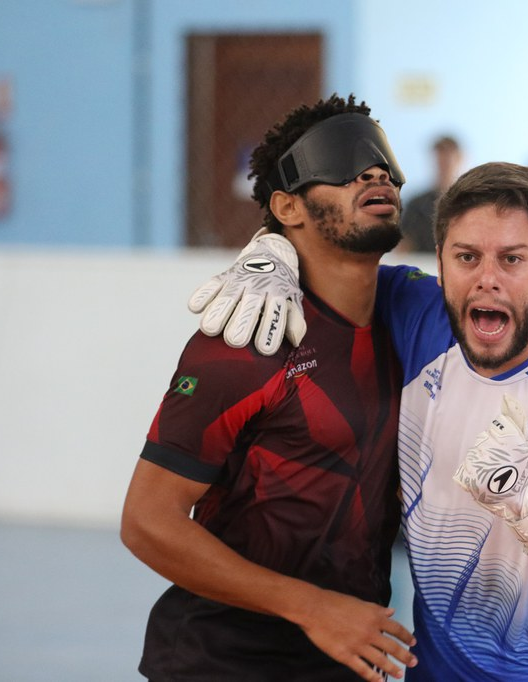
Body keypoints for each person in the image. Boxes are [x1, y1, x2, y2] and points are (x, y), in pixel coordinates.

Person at [188, 162, 528, 680]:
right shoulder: (420, 312)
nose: (488, 279)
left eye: (512, 259)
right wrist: (272, 254)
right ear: (441, 263)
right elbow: (332, 261)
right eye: (467, 257)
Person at [120, 94, 418, 682]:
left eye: (384, 164)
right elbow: (148, 521)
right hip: (220, 664)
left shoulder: (410, 319)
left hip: (347, 655)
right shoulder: (245, 340)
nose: (375, 174)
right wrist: (313, 608)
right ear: (287, 206)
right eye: (342, 163)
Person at [398, 134, 463, 252]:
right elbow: (404, 246)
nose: (443, 165)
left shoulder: (470, 202)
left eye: (447, 159)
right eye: (440, 160)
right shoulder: (416, 205)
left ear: (459, 159)